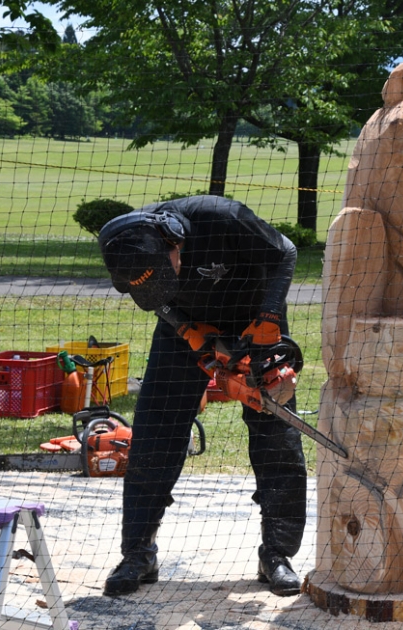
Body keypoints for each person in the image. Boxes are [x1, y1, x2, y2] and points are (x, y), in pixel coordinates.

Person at [97, 195, 308, 597]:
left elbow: (286, 253)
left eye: (165, 269)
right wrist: (188, 333)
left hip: (255, 320)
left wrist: (268, 322)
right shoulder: (131, 253)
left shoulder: (223, 219)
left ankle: (277, 554)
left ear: (173, 242)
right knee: (155, 434)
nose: (164, 278)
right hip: (186, 329)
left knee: (275, 435)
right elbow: (158, 301)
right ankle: (138, 552)